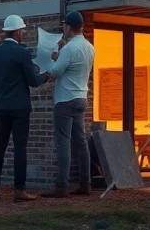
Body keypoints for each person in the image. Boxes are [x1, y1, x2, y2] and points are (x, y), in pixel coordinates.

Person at [0, 14, 43, 202]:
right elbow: (33, 82)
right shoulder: (22, 53)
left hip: (0, 107)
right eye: (23, 30)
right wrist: (46, 76)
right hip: (19, 108)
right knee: (20, 147)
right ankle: (19, 190)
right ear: (17, 31)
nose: (24, 33)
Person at [40, 11, 96, 197]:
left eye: (65, 25)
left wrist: (53, 59)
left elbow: (55, 72)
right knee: (81, 142)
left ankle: (61, 186)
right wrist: (62, 55)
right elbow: (74, 65)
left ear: (69, 27)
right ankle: (85, 184)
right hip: (81, 97)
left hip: (65, 99)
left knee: (63, 142)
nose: (63, 28)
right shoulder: (89, 47)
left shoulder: (68, 49)